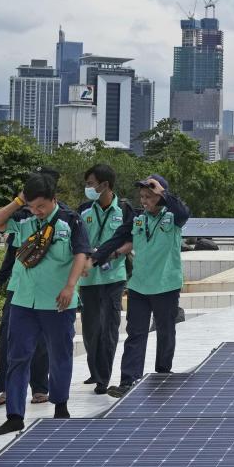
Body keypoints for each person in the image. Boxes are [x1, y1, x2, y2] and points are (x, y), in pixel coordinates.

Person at [0, 172, 89, 435]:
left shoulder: (70, 221)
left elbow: (80, 255)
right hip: (23, 301)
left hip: (57, 301)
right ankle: (15, 416)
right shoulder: (23, 220)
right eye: (33, 206)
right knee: (17, 358)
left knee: (60, 355)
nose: (38, 211)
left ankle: (60, 407)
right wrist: (19, 202)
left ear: (54, 199)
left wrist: (69, 287)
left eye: (42, 205)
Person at [0, 166, 65, 408]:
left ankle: (40, 387)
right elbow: (8, 248)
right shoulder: (22, 217)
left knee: (40, 342)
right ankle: (7, 390)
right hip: (19, 290)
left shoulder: (66, 218)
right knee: (8, 339)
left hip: (47, 291)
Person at [107, 175, 189, 398]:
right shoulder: (137, 219)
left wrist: (162, 191)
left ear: (161, 196)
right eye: (142, 196)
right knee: (135, 333)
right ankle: (128, 380)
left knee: (165, 331)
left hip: (166, 285)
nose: (144, 200)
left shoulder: (173, 217)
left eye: (149, 196)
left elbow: (184, 213)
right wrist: (99, 256)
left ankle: (163, 372)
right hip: (139, 286)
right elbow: (119, 239)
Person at [77, 164, 135, 395]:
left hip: (114, 276)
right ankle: (96, 371)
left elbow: (133, 239)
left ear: (105, 185)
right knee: (91, 330)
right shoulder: (83, 211)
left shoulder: (125, 209)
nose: (88, 188)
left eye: (91, 184)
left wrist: (115, 252)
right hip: (89, 278)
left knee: (108, 328)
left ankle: (103, 378)